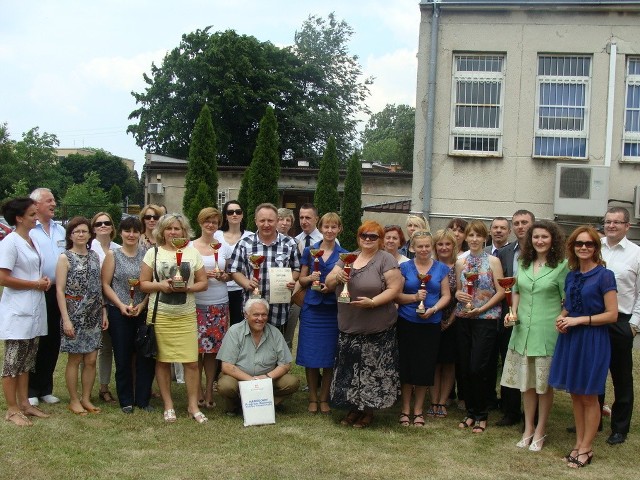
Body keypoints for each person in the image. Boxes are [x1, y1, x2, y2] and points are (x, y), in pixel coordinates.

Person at [549, 226, 618, 468]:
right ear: (573, 247)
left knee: (590, 396)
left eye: (589, 244)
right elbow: (571, 304)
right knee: (576, 394)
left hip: (593, 339)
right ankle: (578, 443)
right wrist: (562, 316)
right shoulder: (572, 275)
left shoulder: (604, 275)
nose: (584, 248)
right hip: (572, 339)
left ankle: (587, 448)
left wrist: (578, 320)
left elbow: (612, 314)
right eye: (579, 244)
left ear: (596, 248)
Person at [325, 220, 404, 428]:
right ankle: (353, 408)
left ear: (379, 240)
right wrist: (337, 276)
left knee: (373, 371)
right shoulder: (348, 257)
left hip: (376, 327)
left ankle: (369, 411)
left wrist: (374, 302)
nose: (368, 240)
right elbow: (328, 282)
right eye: (364, 236)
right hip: (349, 325)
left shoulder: (385, 259)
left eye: (373, 237)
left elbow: (395, 288)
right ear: (358, 238)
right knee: (350, 370)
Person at [500, 220, 568, 451]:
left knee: (542, 385)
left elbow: (566, 300)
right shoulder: (524, 262)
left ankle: (540, 430)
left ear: (553, 240)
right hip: (522, 332)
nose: (539, 241)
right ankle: (528, 428)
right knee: (526, 385)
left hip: (546, 332)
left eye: (544, 237)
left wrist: (563, 318)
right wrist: (512, 313)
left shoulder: (562, 265)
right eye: (536, 237)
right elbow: (516, 290)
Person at [139, 213, 209, 423]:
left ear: (184, 231)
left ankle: (192, 405)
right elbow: (143, 283)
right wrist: (161, 285)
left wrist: (187, 288)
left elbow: (203, 282)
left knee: (191, 363)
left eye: (177, 229)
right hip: (160, 315)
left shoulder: (192, 253)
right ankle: (168, 405)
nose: (173, 232)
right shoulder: (154, 253)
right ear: (162, 231)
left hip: (186, 315)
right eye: (169, 228)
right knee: (163, 362)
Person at [0, 198, 51, 425]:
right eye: (31, 214)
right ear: (19, 218)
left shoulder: (32, 240)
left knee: (27, 361)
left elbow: (33, 271)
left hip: (34, 308)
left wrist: (43, 281)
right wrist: (34, 284)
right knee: (13, 363)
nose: (36, 217)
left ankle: (25, 404)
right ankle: (12, 410)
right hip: (17, 311)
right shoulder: (10, 242)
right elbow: (3, 277)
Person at [396, 230, 451, 426]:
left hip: (431, 324)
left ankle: (418, 410)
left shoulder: (441, 269)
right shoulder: (404, 268)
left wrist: (434, 309)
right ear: (413, 248)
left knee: (424, 367)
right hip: (407, 322)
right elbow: (396, 295)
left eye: (428, 246)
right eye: (420, 246)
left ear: (432, 247)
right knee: (407, 366)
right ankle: (405, 409)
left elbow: (446, 295)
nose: (424, 249)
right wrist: (413, 298)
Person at [454, 220, 504, 433]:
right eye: (471, 235)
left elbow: (501, 292)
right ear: (465, 238)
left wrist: (481, 310)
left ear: (485, 238)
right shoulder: (460, 262)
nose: (474, 239)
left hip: (485, 319)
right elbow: (458, 289)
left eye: (478, 236)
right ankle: (470, 412)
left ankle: (481, 414)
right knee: (465, 367)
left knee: (478, 367)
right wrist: (458, 294)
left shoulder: (493, 261)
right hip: (464, 318)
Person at [101, 216, 154, 414]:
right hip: (119, 312)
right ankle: (126, 400)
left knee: (145, 357)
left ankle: (143, 399)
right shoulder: (113, 255)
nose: (131, 235)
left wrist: (142, 304)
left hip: (142, 311)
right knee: (122, 358)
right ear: (121, 233)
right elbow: (106, 284)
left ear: (140, 233)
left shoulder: (148, 254)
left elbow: (151, 284)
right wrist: (120, 305)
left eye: (135, 231)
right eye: (127, 231)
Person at [296, 212, 347, 414]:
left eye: (334, 227)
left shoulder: (345, 254)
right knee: (310, 354)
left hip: (332, 310)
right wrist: (311, 278)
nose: (329, 230)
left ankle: (324, 398)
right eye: (326, 226)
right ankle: (312, 398)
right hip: (312, 309)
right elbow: (301, 279)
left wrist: (333, 285)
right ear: (321, 227)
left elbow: (345, 280)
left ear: (339, 229)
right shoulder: (310, 250)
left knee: (329, 357)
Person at [57, 217, 109, 415]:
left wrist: (104, 311)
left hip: (94, 313)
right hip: (74, 313)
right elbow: (60, 291)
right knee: (75, 359)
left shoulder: (95, 256)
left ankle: (86, 398)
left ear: (90, 234)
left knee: (91, 359)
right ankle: (73, 399)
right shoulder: (65, 258)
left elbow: (99, 286)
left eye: (84, 231)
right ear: (70, 235)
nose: (81, 234)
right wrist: (66, 319)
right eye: (76, 231)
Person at [600, 207, 640, 446]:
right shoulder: (594, 247)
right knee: (594, 372)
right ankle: (592, 421)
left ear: (628, 226)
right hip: (594, 319)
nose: (611, 226)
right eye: (608, 222)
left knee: (621, 377)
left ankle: (619, 428)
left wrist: (634, 324)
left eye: (617, 222)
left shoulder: (636, 254)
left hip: (621, 321)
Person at [216, 298, 300, 413]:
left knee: (291, 382)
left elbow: (285, 364)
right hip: (239, 379)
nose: (260, 319)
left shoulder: (275, 333)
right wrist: (252, 381)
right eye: (256, 315)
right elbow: (226, 366)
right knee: (225, 385)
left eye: (264, 315)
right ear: (246, 314)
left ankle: (269, 404)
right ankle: (237, 405)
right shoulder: (234, 331)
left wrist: (267, 377)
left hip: (267, 379)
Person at [492, 209, 535, 426]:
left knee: (531, 364)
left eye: (524, 222)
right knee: (509, 361)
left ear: (532, 224)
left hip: (535, 315)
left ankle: (533, 414)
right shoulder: (505, 253)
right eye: (516, 222)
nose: (520, 226)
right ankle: (510, 411)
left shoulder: (543, 252)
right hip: (508, 315)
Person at [229, 203, 300, 333]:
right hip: (252, 307)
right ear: (256, 221)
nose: (266, 224)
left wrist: (291, 279)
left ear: (277, 221)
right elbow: (234, 270)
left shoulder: (289, 243)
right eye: (262, 220)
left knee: (276, 348)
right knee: (250, 347)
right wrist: (246, 283)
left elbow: (297, 269)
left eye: (270, 220)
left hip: (278, 308)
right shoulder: (245, 243)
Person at [27, 187, 66, 406]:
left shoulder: (60, 230)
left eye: (54, 200)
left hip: (57, 291)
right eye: (49, 200)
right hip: (38, 290)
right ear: (36, 205)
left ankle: (45, 388)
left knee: (53, 340)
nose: (53, 204)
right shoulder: (30, 231)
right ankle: (31, 389)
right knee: (36, 340)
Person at [192, 207, 231, 409]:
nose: (210, 225)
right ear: (200, 222)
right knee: (196, 350)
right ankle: (197, 389)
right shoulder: (190, 246)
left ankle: (209, 389)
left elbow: (230, 273)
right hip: (197, 304)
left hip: (219, 303)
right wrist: (201, 276)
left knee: (212, 352)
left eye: (214, 222)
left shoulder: (222, 246)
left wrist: (224, 276)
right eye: (207, 221)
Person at [91, 211, 121, 404]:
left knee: (115, 346)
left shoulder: (118, 248)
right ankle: (102, 387)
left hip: (116, 303)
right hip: (94, 305)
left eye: (107, 223)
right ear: (93, 227)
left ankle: (121, 385)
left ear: (112, 227)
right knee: (100, 349)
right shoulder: (88, 248)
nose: (103, 226)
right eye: (99, 223)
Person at [430, 228, 459, 418]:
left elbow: (463, 297)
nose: (444, 247)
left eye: (447, 244)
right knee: (433, 362)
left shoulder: (459, 266)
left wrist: (449, 320)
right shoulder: (430, 266)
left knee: (448, 363)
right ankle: (433, 401)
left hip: (454, 320)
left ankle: (443, 402)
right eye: (440, 244)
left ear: (453, 246)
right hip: (431, 320)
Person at [286, 203, 322, 348]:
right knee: (290, 328)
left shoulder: (326, 240)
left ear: (316, 219)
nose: (304, 221)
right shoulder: (295, 240)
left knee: (311, 332)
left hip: (316, 293)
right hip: (296, 290)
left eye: (308, 217)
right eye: (301, 217)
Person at [215, 200, 252, 326]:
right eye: (230, 212)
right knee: (219, 326)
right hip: (219, 288)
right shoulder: (216, 235)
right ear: (225, 216)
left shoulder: (250, 237)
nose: (234, 214)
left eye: (238, 211)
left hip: (241, 288)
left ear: (242, 215)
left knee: (239, 325)